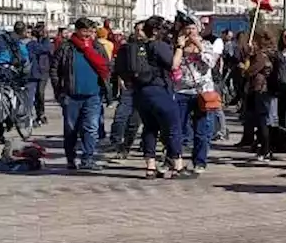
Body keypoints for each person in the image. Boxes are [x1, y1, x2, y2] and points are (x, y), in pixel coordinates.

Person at [50, 17, 111, 171]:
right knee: (71, 129)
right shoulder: (66, 48)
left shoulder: (97, 47)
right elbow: (54, 70)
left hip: (93, 95)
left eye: (90, 31)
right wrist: (59, 91)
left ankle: (88, 158)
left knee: (91, 128)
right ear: (77, 30)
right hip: (71, 95)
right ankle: (71, 159)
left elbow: (106, 67)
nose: (87, 35)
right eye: (84, 31)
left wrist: (107, 89)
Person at [131, 16, 186, 178]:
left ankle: (150, 167)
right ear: (155, 31)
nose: (166, 31)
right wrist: (180, 47)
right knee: (173, 127)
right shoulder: (158, 45)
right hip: (159, 90)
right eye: (162, 28)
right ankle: (177, 165)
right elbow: (173, 64)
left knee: (150, 128)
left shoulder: (139, 46)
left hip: (142, 93)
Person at [172, 15, 218, 174]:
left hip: (202, 92)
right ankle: (175, 159)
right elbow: (174, 65)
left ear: (199, 29)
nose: (190, 31)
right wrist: (180, 47)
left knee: (201, 130)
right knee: (177, 127)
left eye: (193, 28)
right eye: (187, 28)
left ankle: (200, 161)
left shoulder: (206, 44)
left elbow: (211, 63)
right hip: (182, 90)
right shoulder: (178, 45)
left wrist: (199, 46)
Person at [109, 20, 144, 158]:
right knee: (120, 116)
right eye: (137, 30)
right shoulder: (126, 48)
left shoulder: (150, 47)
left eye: (141, 30)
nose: (139, 33)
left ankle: (126, 146)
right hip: (128, 86)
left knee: (134, 121)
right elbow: (118, 66)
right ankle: (116, 141)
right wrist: (120, 78)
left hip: (143, 88)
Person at [242, 32, 276, 161]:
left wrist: (245, 70)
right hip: (255, 90)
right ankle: (261, 146)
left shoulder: (261, 56)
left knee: (262, 121)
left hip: (261, 90)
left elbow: (251, 71)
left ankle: (266, 148)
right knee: (257, 120)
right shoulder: (256, 55)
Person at [26, 23, 52, 125]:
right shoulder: (32, 42)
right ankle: (34, 114)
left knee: (40, 93)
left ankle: (41, 113)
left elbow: (47, 49)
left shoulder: (46, 42)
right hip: (33, 70)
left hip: (44, 70)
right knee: (33, 94)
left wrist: (46, 37)